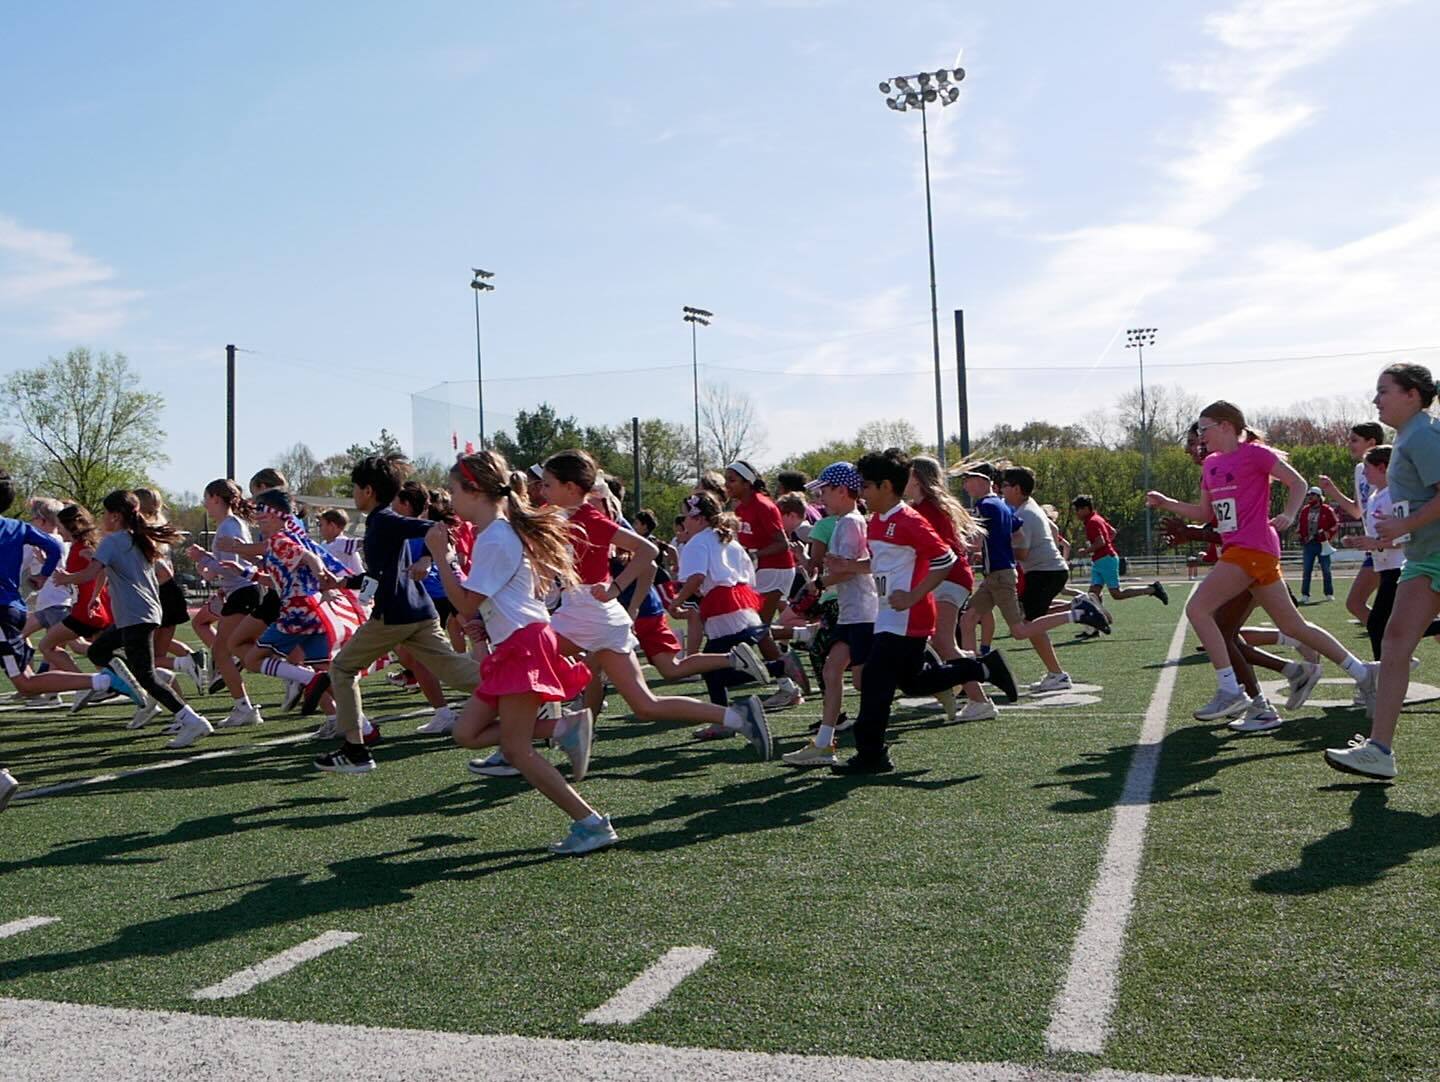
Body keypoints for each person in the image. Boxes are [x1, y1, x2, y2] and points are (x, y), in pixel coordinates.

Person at [420, 450, 615, 854]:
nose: (450, 499)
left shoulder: (496, 537)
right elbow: (485, 604)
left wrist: (441, 557)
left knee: (515, 750)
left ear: (474, 492)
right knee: (466, 733)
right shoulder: (498, 532)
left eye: (454, 490)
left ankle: (591, 823)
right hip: (518, 642)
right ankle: (564, 728)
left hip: (523, 645)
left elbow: (466, 603)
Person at [1145, 401, 1376, 724]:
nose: (1200, 436)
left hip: (1251, 549)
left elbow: (1296, 482)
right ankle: (1363, 673)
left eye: (1204, 428)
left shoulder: (1255, 454)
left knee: (1198, 610)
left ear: (1226, 426)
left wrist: (1289, 514)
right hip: (1244, 552)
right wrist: (1167, 502)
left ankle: (1231, 690)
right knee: (1294, 626)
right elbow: (1204, 514)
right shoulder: (1210, 464)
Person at [537, 450, 771, 761]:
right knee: (646, 705)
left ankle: (528, 739)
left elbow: (646, 550)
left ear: (570, 487)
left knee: (529, 656)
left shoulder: (590, 518)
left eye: (548, 484)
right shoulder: (561, 515)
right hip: (594, 616)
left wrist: (615, 587)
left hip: (588, 612)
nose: (543, 490)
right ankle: (738, 717)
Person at [830, 448, 1018, 775]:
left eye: (866, 486)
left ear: (886, 486)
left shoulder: (909, 519)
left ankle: (872, 755)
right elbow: (882, 562)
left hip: (907, 616)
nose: (861, 493)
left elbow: (944, 559)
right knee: (915, 683)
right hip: (889, 614)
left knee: (874, 681)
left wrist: (913, 595)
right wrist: (849, 566)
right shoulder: (878, 521)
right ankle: (983, 668)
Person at [311, 455, 482, 775]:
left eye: (355, 488)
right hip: (418, 611)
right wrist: (344, 582)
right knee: (456, 672)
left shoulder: (385, 520)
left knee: (342, 668)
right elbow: (381, 575)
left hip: (395, 616)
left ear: (368, 490)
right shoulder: (381, 521)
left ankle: (355, 749)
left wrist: (428, 560)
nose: (353, 495)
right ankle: (528, 697)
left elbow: (439, 527)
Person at [1326, 365, 1440, 780]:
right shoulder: (1408, 435)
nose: (1376, 401)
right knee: (1393, 641)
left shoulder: (1424, 434)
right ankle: (1379, 749)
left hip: (1433, 554)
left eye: (1384, 391)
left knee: (1393, 642)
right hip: (1425, 557)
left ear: (1412, 395)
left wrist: (1402, 527)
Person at [56, 490, 214, 748]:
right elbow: (108, 570)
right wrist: (96, 592)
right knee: (98, 651)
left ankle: (192, 720)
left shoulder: (113, 541)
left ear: (116, 516)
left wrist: (66, 578)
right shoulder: (138, 537)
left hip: (135, 614)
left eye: (106, 513)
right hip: (144, 612)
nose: (103, 518)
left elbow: (92, 572)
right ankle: (134, 675)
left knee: (147, 677)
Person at [783, 462, 875, 767]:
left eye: (824, 490)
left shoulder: (849, 522)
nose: (820, 496)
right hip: (851, 614)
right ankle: (824, 743)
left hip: (861, 613)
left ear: (841, 490)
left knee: (863, 682)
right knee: (831, 672)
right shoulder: (844, 521)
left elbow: (846, 569)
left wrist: (819, 583)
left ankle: (939, 677)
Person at [1319, 421, 1385, 625]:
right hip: (1374, 550)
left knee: (1409, 611)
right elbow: (1357, 511)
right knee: (1356, 604)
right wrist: (1332, 490)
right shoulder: (1359, 470)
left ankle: (1397, 651)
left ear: (1371, 442)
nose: (1349, 444)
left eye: (1354, 440)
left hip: (1395, 548)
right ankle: (1397, 652)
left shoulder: (1394, 465)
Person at [1070, 495, 1168, 612]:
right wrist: (1106, 546)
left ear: (1085, 509)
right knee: (1093, 595)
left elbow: (1100, 542)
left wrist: (1086, 551)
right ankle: (1095, 626)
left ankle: (1152, 589)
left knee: (1117, 594)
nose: (1076, 513)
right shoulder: (1097, 518)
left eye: (1077, 510)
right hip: (1101, 560)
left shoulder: (1092, 522)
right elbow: (1112, 532)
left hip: (1105, 560)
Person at [1295, 486, 1339, 603]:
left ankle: (1329, 593)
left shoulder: (1327, 510)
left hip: (1322, 543)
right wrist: (1300, 534)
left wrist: (1328, 533)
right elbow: (1300, 525)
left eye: (1312, 495)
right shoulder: (1305, 510)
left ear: (1319, 497)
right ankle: (1305, 594)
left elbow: (1336, 524)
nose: (1310, 497)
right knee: (1307, 570)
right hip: (1309, 544)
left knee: (1326, 569)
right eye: (1309, 495)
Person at [318, 508, 365, 576]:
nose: (319, 528)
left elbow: (362, 543)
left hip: (353, 582)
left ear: (332, 526)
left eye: (321, 525)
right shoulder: (323, 544)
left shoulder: (341, 542)